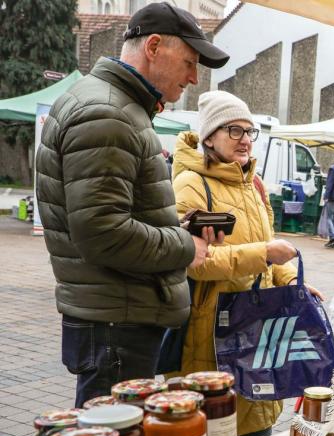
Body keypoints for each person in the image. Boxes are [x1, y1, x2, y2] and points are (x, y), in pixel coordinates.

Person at [35, 2, 229, 407]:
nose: (194, 78)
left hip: (115, 318)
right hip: (116, 326)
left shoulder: (115, 106)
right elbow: (104, 234)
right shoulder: (109, 113)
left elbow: (110, 216)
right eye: (190, 62)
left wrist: (180, 228)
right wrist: (183, 246)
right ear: (154, 46)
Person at [171, 91, 321, 436]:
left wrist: (290, 284)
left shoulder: (252, 183)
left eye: (249, 131)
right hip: (211, 328)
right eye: (233, 131)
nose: (245, 141)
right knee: (217, 430)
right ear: (209, 137)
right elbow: (196, 263)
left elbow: (268, 245)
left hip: (257, 324)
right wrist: (264, 254)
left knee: (258, 426)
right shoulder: (190, 184)